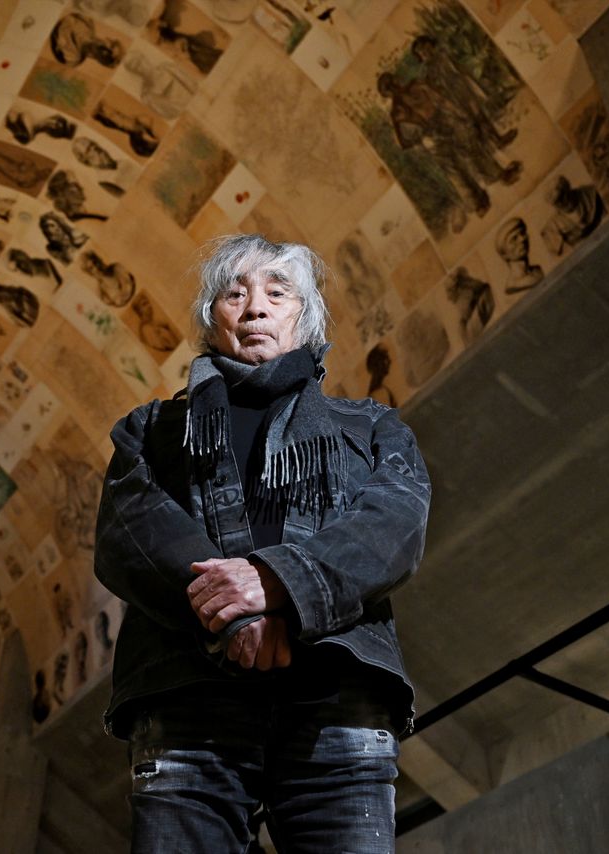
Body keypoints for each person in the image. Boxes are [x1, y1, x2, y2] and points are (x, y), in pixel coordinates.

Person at [95, 233, 431, 852]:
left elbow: (395, 525)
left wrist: (280, 584)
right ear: (211, 318)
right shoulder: (150, 429)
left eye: (278, 294)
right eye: (234, 293)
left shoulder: (373, 427)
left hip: (337, 694)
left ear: (305, 317)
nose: (255, 308)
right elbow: (129, 530)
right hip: (189, 700)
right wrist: (231, 617)